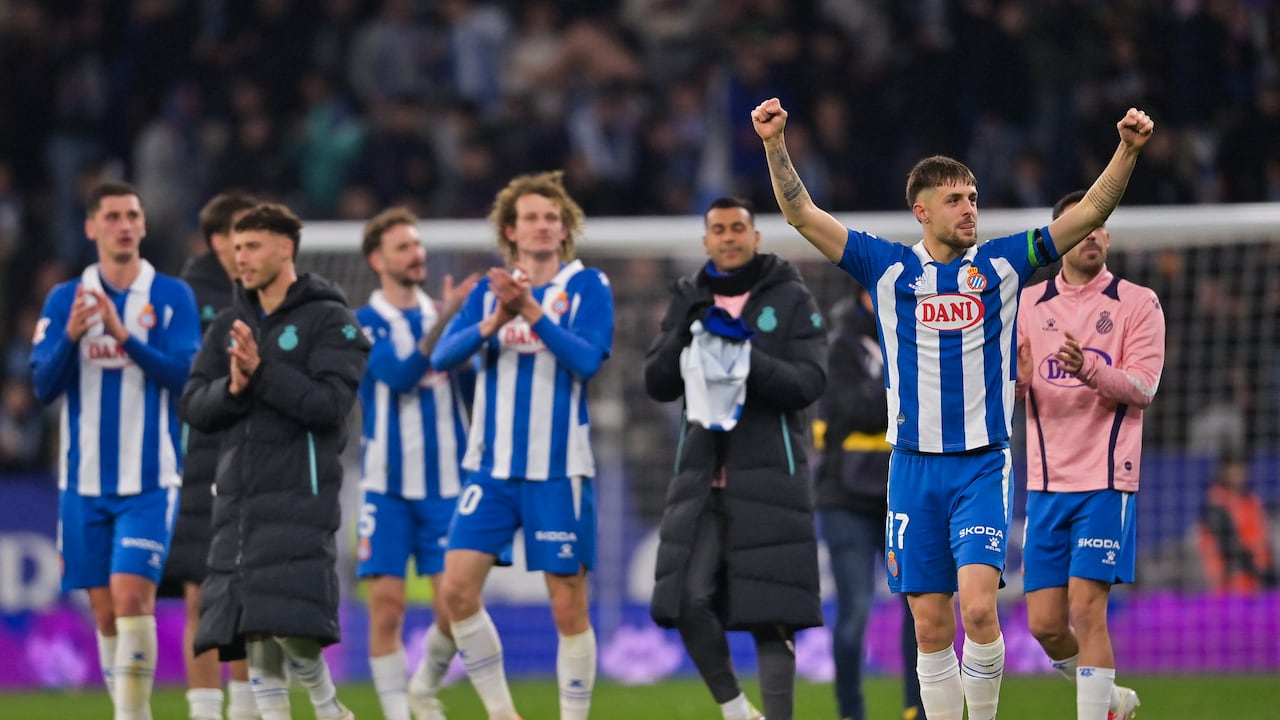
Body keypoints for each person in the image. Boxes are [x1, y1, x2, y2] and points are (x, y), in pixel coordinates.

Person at [752, 96, 1155, 720]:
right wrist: (776, 144)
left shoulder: (1001, 264)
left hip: (979, 466)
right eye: (956, 199)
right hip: (912, 468)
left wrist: (1126, 150)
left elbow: (1092, 210)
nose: (970, 208)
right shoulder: (885, 266)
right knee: (930, 623)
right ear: (922, 211)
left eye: (973, 197)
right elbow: (801, 213)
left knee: (977, 608)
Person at [429, 170, 613, 720]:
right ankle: (503, 714)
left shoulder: (586, 286)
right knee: (456, 589)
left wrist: (531, 312)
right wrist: (494, 320)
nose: (541, 226)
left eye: (551, 218)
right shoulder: (490, 290)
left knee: (567, 603)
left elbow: (585, 360)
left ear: (564, 230)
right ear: (510, 229)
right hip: (491, 469)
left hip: (558, 470)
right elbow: (441, 359)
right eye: (530, 217)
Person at [180, 202, 370, 720]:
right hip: (238, 496)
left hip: (299, 492)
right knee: (254, 626)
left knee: (286, 621)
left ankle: (329, 706)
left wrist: (261, 373)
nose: (240, 258)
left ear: (285, 248)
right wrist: (234, 387)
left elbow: (330, 405)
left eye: (252, 246)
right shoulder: (228, 324)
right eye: (236, 247)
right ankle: (324, 710)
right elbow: (194, 404)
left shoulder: (330, 319)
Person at [643, 196, 827, 720]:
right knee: (683, 599)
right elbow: (655, 384)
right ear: (705, 241)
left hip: (771, 481)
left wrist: (746, 357)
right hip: (702, 483)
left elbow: (810, 382)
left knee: (774, 615)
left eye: (737, 228)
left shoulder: (790, 298)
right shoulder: (687, 297)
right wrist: (682, 333)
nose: (728, 237)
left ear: (755, 237)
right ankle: (735, 709)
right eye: (718, 229)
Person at [30, 180, 202, 720]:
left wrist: (124, 336)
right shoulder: (64, 300)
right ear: (91, 227)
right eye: (112, 216)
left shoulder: (172, 296)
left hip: (149, 481)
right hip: (82, 485)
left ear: (144, 226)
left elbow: (185, 377)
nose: (124, 225)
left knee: (133, 599)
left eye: (132, 215)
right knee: (105, 615)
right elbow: (42, 386)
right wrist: (72, 337)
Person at [1015, 190, 1165, 720]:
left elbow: (1144, 387)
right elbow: (1003, 387)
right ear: (1061, 238)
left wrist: (1089, 371)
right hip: (1046, 481)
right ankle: (1112, 702)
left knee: (1086, 610)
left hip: (1105, 480)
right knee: (1045, 624)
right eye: (1084, 227)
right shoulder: (1028, 304)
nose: (1094, 235)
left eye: (1102, 226)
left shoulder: (1138, 303)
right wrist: (1018, 383)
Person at [355, 207, 479, 720]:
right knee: (386, 608)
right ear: (377, 259)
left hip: (448, 485)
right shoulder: (361, 325)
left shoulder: (447, 315)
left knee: (455, 604)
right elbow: (401, 376)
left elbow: (473, 389)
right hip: (386, 488)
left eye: (417, 244)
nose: (416, 254)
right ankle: (396, 714)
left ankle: (423, 686)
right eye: (403, 247)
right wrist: (449, 319)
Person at [164, 190, 260, 720]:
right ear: (219, 239)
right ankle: (205, 712)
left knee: (249, 594)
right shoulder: (185, 295)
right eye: (241, 234)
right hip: (200, 459)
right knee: (202, 594)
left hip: (257, 456)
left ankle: (245, 711)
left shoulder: (266, 292)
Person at [812, 284, 926, 720]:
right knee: (855, 610)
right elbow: (849, 408)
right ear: (864, 292)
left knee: (919, 606)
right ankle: (850, 712)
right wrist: (902, 390)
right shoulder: (840, 344)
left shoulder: (915, 338)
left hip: (904, 492)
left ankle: (918, 708)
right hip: (845, 496)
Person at [1198, 450, 1277, 594]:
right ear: (1224, 470)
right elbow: (1228, 549)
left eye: (1242, 467)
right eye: (1234, 467)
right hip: (1229, 588)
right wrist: (1262, 572)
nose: (1240, 473)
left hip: (1257, 587)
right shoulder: (1216, 505)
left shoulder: (1252, 501)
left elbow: (1263, 540)